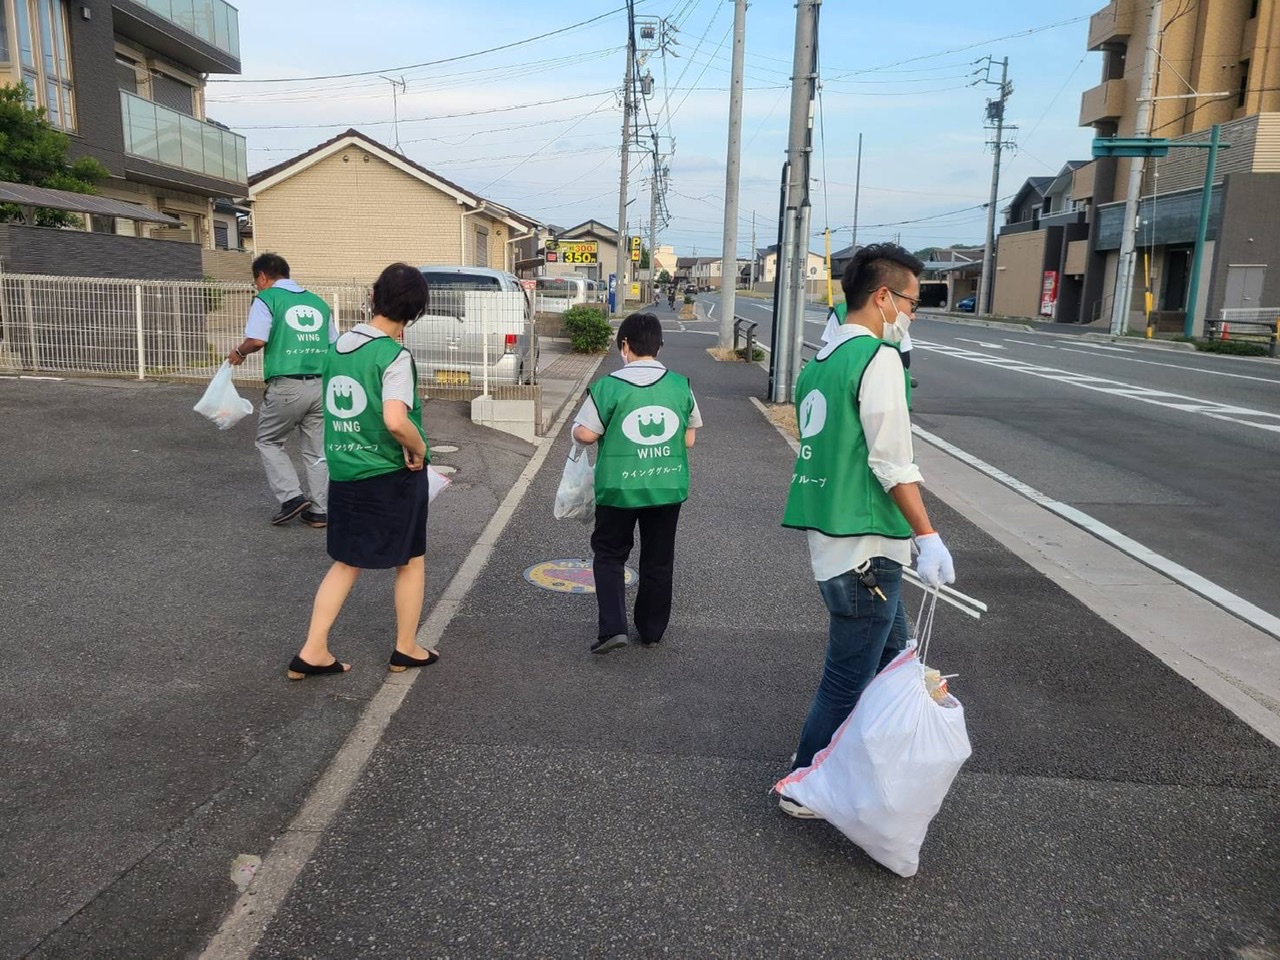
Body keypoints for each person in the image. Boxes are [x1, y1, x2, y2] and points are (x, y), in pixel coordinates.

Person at [777, 243, 956, 817]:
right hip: (868, 549)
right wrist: (927, 535)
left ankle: (881, 773)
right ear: (883, 297)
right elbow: (891, 461)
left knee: (897, 659)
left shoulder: (820, 364)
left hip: (834, 539)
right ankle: (803, 782)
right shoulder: (876, 361)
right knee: (846, 677)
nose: (913, 314)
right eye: (911, 302)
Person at [287, 263, 440, 680]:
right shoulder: (393, 355)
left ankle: (313, 649)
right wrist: (420, 447)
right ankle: (405, 647)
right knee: (409, 560)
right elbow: (395, 419)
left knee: (346, 561)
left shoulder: (336, 349)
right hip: (388, 473)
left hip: (344, 471)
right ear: (415, 312)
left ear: (374, 296)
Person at [571, 312, 702, 654]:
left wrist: (577, 431)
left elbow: (585, 434)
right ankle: (651, 630)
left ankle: (613, 628)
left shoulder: (608, 386)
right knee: (658, 559)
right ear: (659, 345)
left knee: (610, 554)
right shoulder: (681, 384)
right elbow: (688, 440)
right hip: (666, 486)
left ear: (624, 345)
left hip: (618, 489)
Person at [227, 253, 337, 528]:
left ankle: (291, 498)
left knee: (269, 441)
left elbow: (257, 339)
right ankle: (320, 511)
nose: (258, 286)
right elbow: (334, 346)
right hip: (321, 385)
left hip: (287, 385)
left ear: (262, 276)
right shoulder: (318, 303)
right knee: (316, 450)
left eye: (257, 282)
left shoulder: (267, 299)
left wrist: (239, 353)